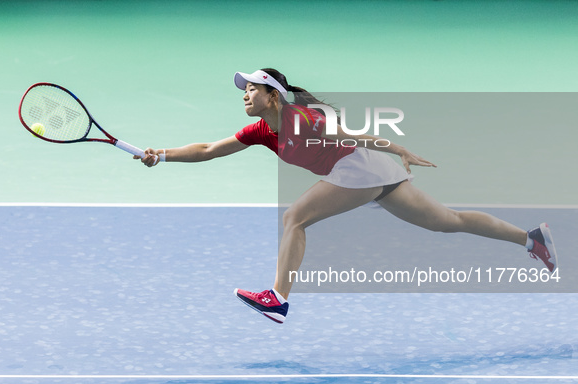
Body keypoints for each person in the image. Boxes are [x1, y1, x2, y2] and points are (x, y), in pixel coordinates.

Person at [136, 68, 558, 324]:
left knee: (294, 218)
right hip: (368, 173)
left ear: (272, 94)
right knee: (448, 221)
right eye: (242, 89)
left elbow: (352, 136)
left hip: (361, 167)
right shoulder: (262, 131)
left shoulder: (300, 119)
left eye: (251, 88)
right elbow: (210, 149)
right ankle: (532, 238)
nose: (244, 94)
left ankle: (278, 299)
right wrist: (163, 155)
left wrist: (397, 148)